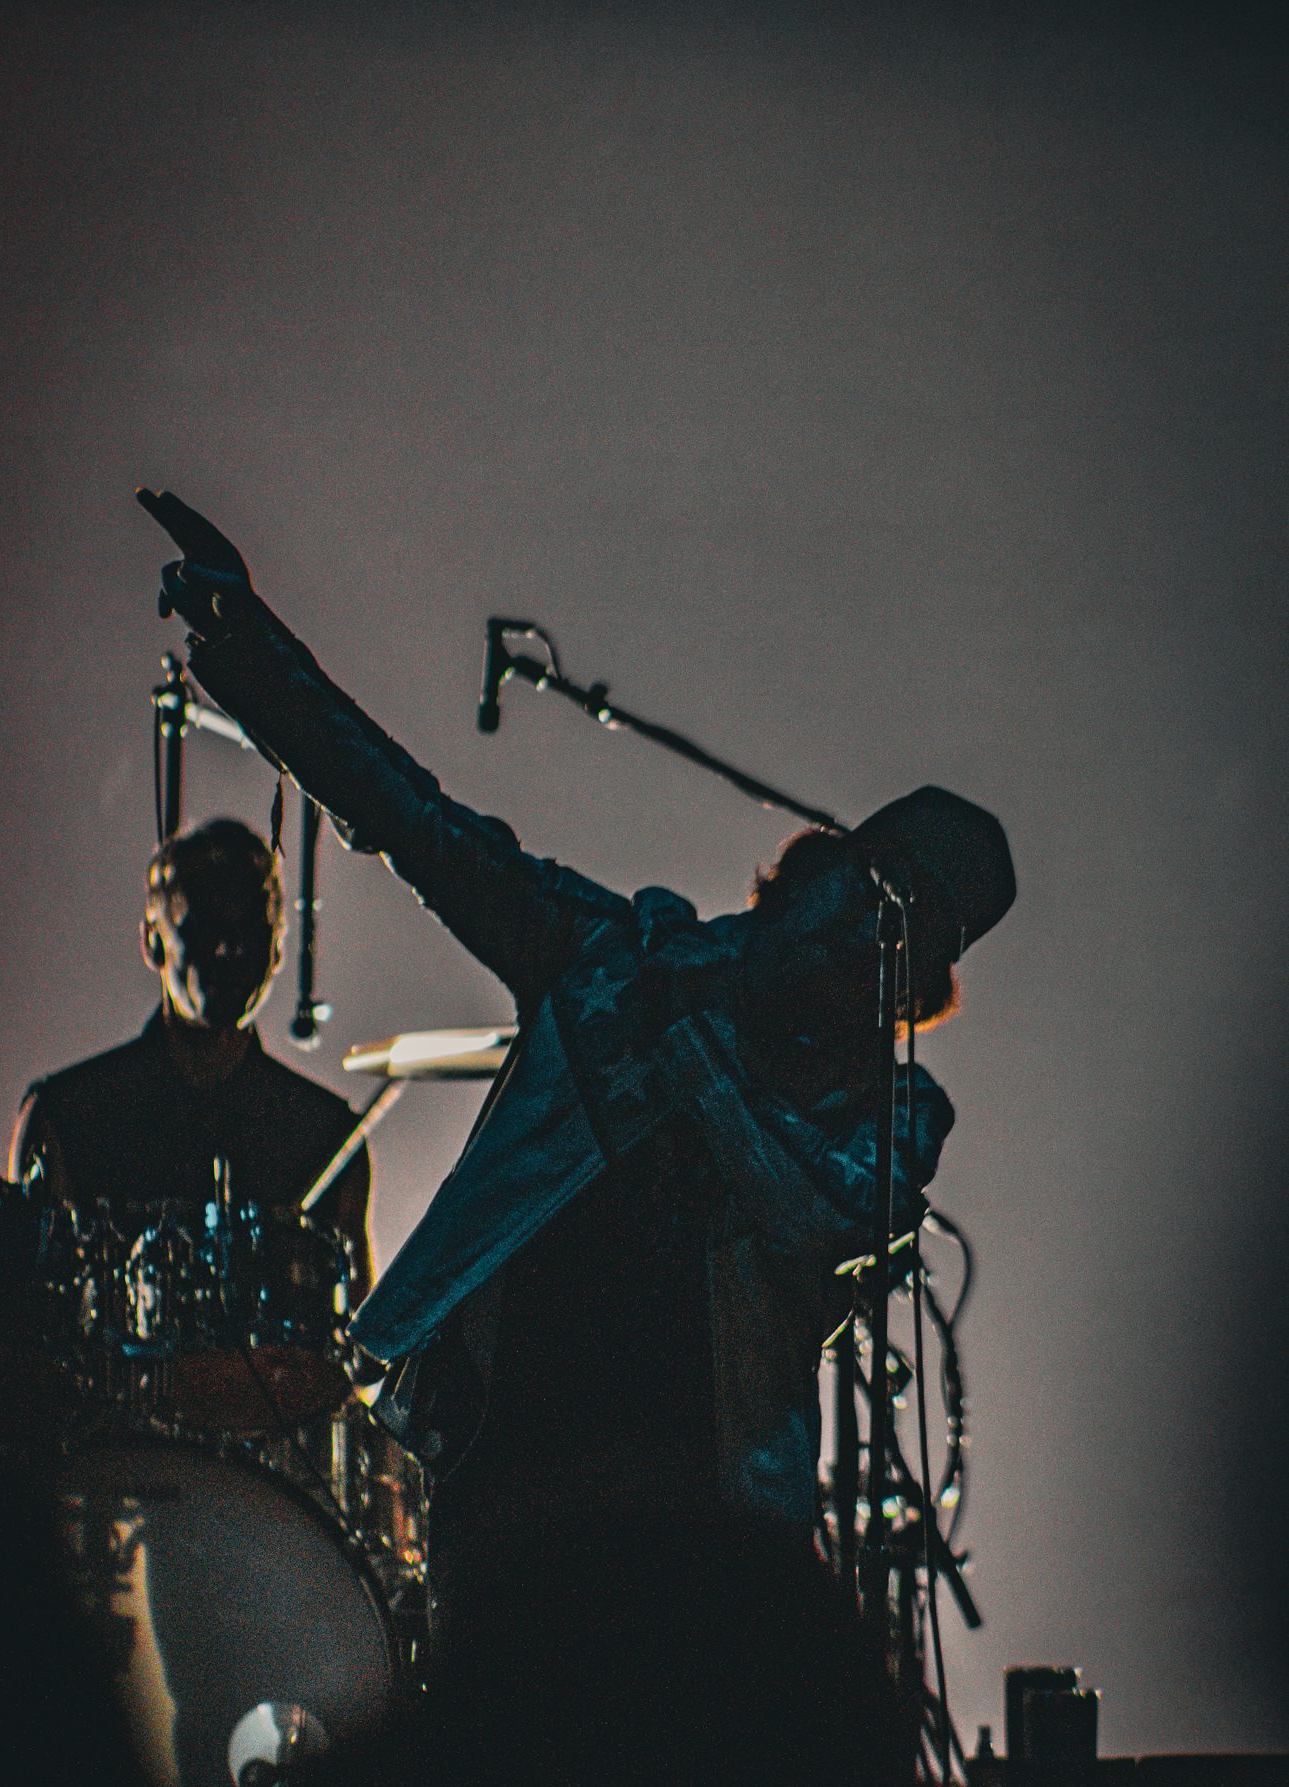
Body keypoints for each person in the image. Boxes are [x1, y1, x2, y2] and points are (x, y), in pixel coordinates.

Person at [135, 490, 1015, 1671]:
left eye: (900, 936)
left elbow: (818, 1219)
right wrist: (249, 650)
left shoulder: (892, 1116)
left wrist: (689, 1045)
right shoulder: (610, 961)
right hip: (510, 1477)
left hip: (707, 1538)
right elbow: (416, 821)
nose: (859, 931)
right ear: (801, 869)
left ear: (909, 995)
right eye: (860, 887)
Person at [10, 816, 371, 1288]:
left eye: (251, 930)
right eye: (205, 927)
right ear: (152, 941)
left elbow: (359, 1338)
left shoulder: (329, 1137)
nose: (229, 948)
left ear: (279, 947)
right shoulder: (65, 1116)